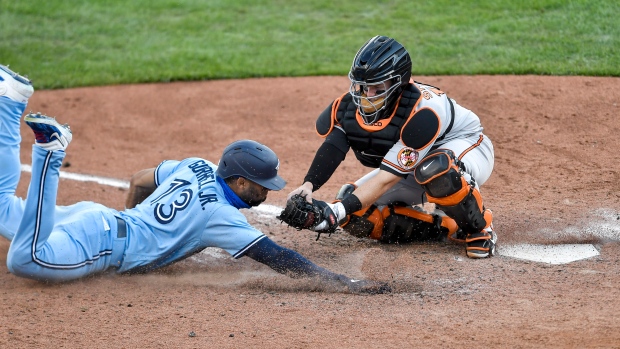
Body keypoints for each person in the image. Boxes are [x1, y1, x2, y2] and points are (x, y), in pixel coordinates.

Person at [0, 64, 389, 293]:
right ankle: (51, 153)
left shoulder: (196, 163)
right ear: (238, 183)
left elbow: (138, 180)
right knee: (26, 259)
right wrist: (342, 283)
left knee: (4, 212)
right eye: (260, 185)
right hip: (98, 242)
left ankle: (11, 100)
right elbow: (280, 258)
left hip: (92, 217)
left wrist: (139, 225)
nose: (265, 191)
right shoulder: (221, 216)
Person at [287, 35, 497, 258]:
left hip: (469, 149)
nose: (368, 96)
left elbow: (388, 177)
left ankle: (480, 227)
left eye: (377, 89)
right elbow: (333, 147)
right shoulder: (348, 108)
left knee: (435, 169)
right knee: (356, 212)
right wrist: (308, 185)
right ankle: (444, 226)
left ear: (398, 84)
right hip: (415, 163)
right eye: (364, 88)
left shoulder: (424, 111)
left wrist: (335, 212)